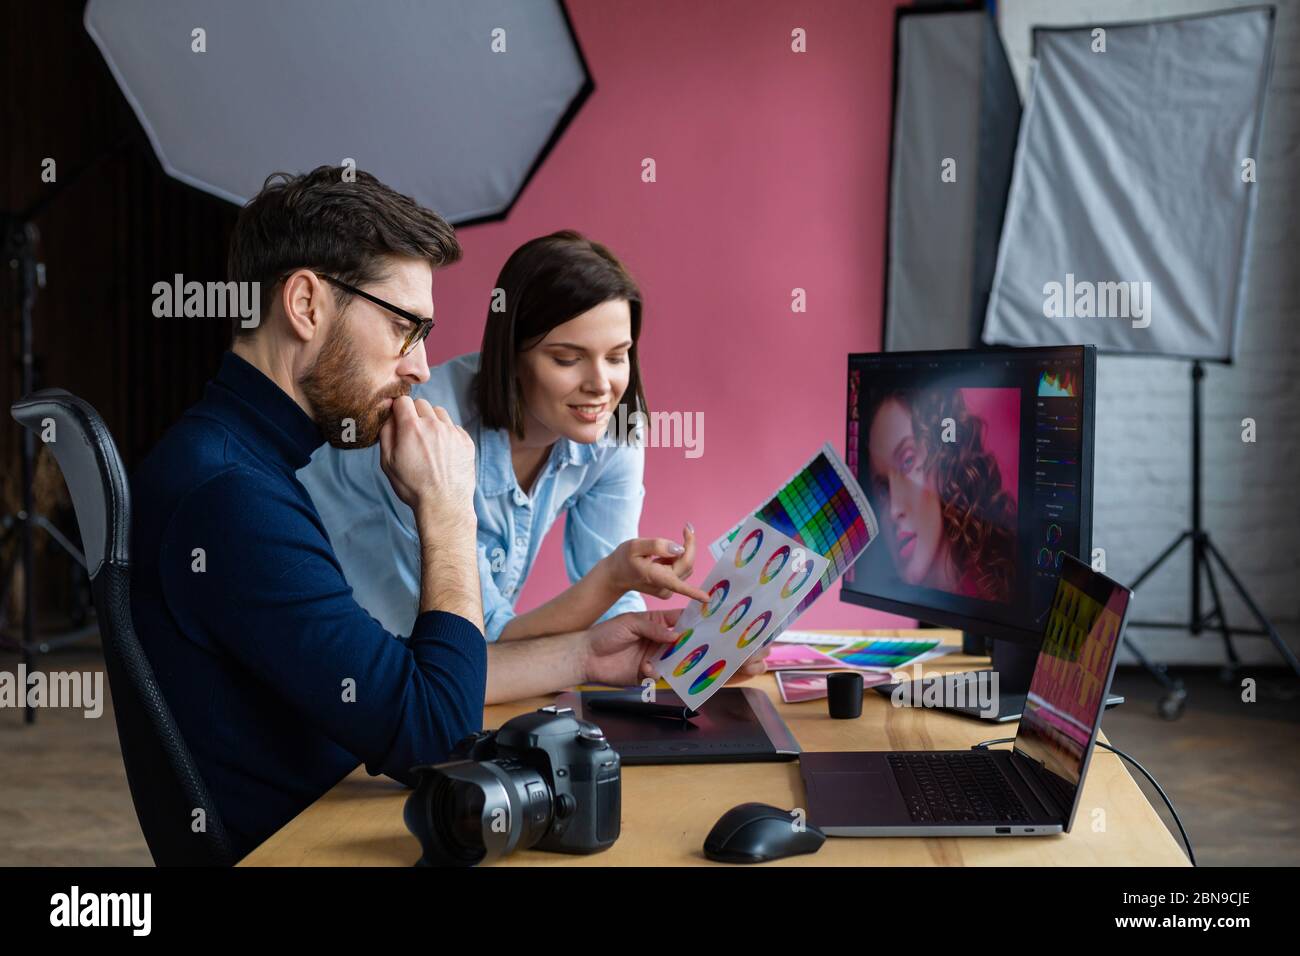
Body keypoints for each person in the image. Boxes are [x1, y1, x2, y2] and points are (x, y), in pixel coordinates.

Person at [129, 167, 700, 861]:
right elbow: (435, 730)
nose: (422, 367)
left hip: (333, 815)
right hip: (308, 846)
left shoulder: (239, 463)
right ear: (305, 303)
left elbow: (399, 684)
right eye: (404, 327)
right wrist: (448, 509)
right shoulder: (230, 499)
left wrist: (583, 653)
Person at [300, 230, 711, 643]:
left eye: (617, 356)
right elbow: (479, 636)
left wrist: (697, 649)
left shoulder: (613, 427)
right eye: (567, 359)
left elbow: (616, 607)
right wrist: (615, 578)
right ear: (510, 354)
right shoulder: (423, 434)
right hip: (324, 646)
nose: (600, 385)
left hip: (434, 659)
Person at [864, 387, 1017, 602]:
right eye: (882, 487)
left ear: (944, 459)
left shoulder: (1001, 595)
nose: (893, 510)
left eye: (907, 461)